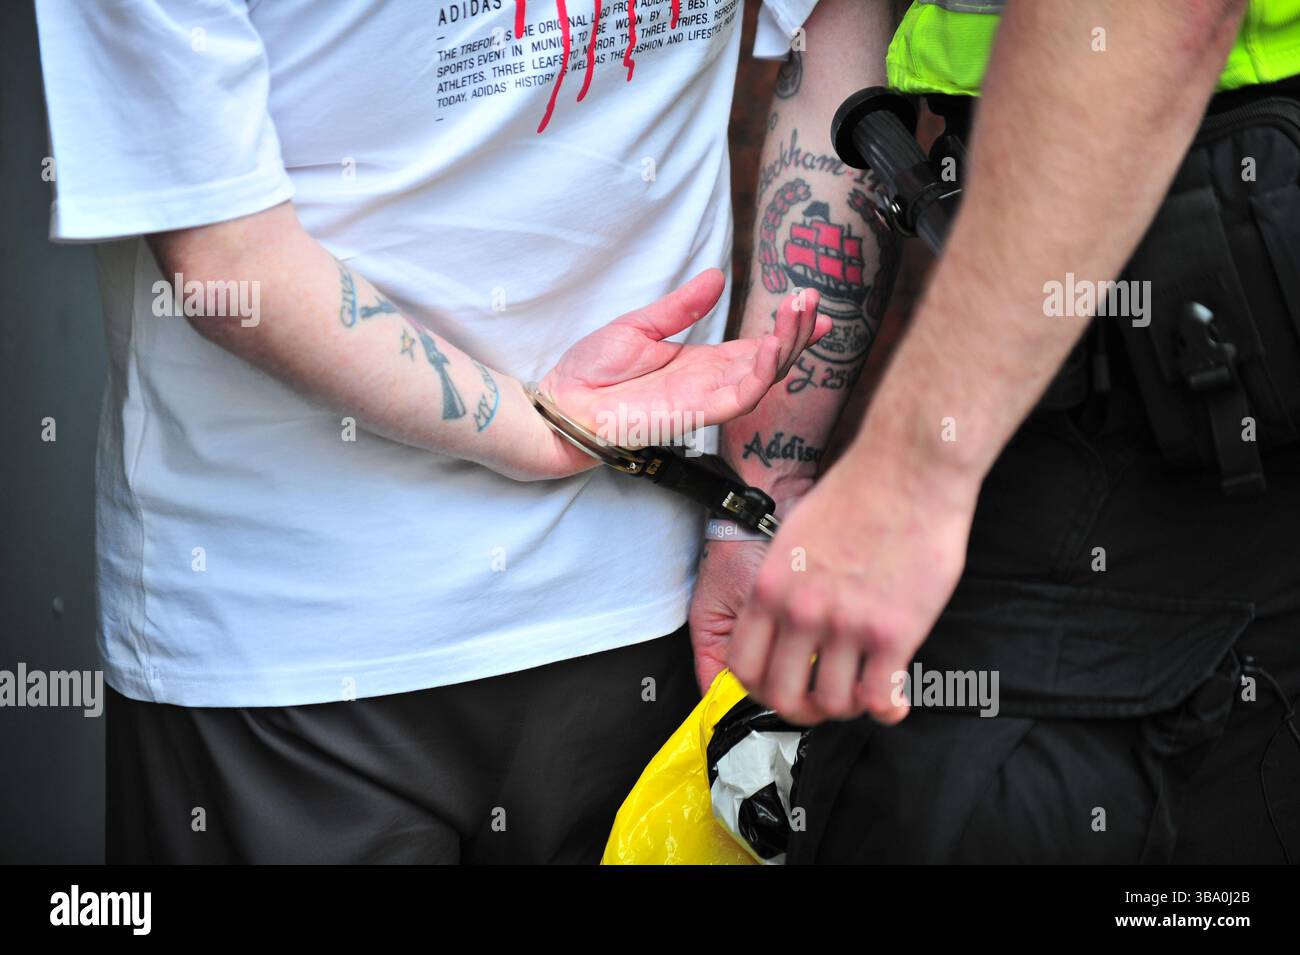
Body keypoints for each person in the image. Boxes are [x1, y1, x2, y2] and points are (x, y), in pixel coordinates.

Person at [31, 0, 859, 863]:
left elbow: (228, 254)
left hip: (332, 634)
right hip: (317, 646)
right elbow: (221, 262)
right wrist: (749, 495)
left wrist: (743, 501)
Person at [692, 0, 1300, 862]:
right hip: (1041, 294)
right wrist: (760, 494)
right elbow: (853, 24)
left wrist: (912, 466)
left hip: (1211, 277)